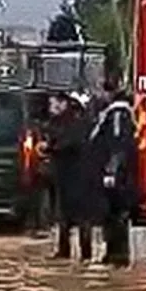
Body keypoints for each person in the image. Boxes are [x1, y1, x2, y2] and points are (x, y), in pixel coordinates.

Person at [46, 91, 103, 260]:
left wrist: (50, 148)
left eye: (53, 104)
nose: (50, 108)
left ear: (63, 104)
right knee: (64, 218)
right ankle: (64, 252)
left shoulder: (77, 122)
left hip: (80, 178)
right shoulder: (58, 122)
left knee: (81, 219)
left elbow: (70, 144)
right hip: (65, 177)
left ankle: (85, 255)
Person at [90, 79, 139, 266]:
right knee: (112, 215)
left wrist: (111, 170)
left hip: (118, 176)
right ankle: (113, 254)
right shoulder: (114, 114)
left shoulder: (118, 114)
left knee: (116, 215)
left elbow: (118, 144)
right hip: (117, 174)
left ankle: (118, 256)